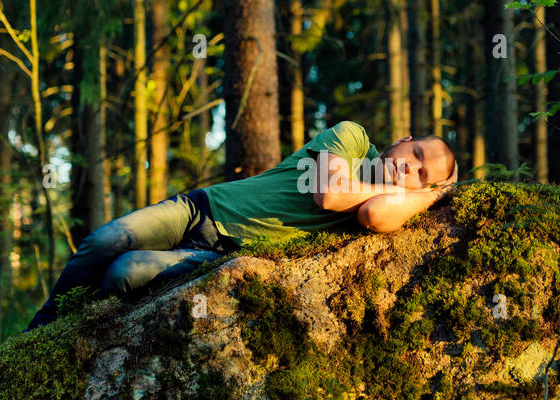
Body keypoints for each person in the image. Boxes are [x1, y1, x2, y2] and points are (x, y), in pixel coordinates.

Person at [25, 120, 457, 330]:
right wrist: (419, 188)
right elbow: (329, 192)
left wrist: (433, 195)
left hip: (219, 253)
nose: (409, 169)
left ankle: (78, 337)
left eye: (422, 174)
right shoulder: (352, 137)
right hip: (202, 207)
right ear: (403, 139)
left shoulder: (389, 202)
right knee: (106, 240)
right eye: (415, 154)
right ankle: (39, 334)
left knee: (125, 271)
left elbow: (375, 216)